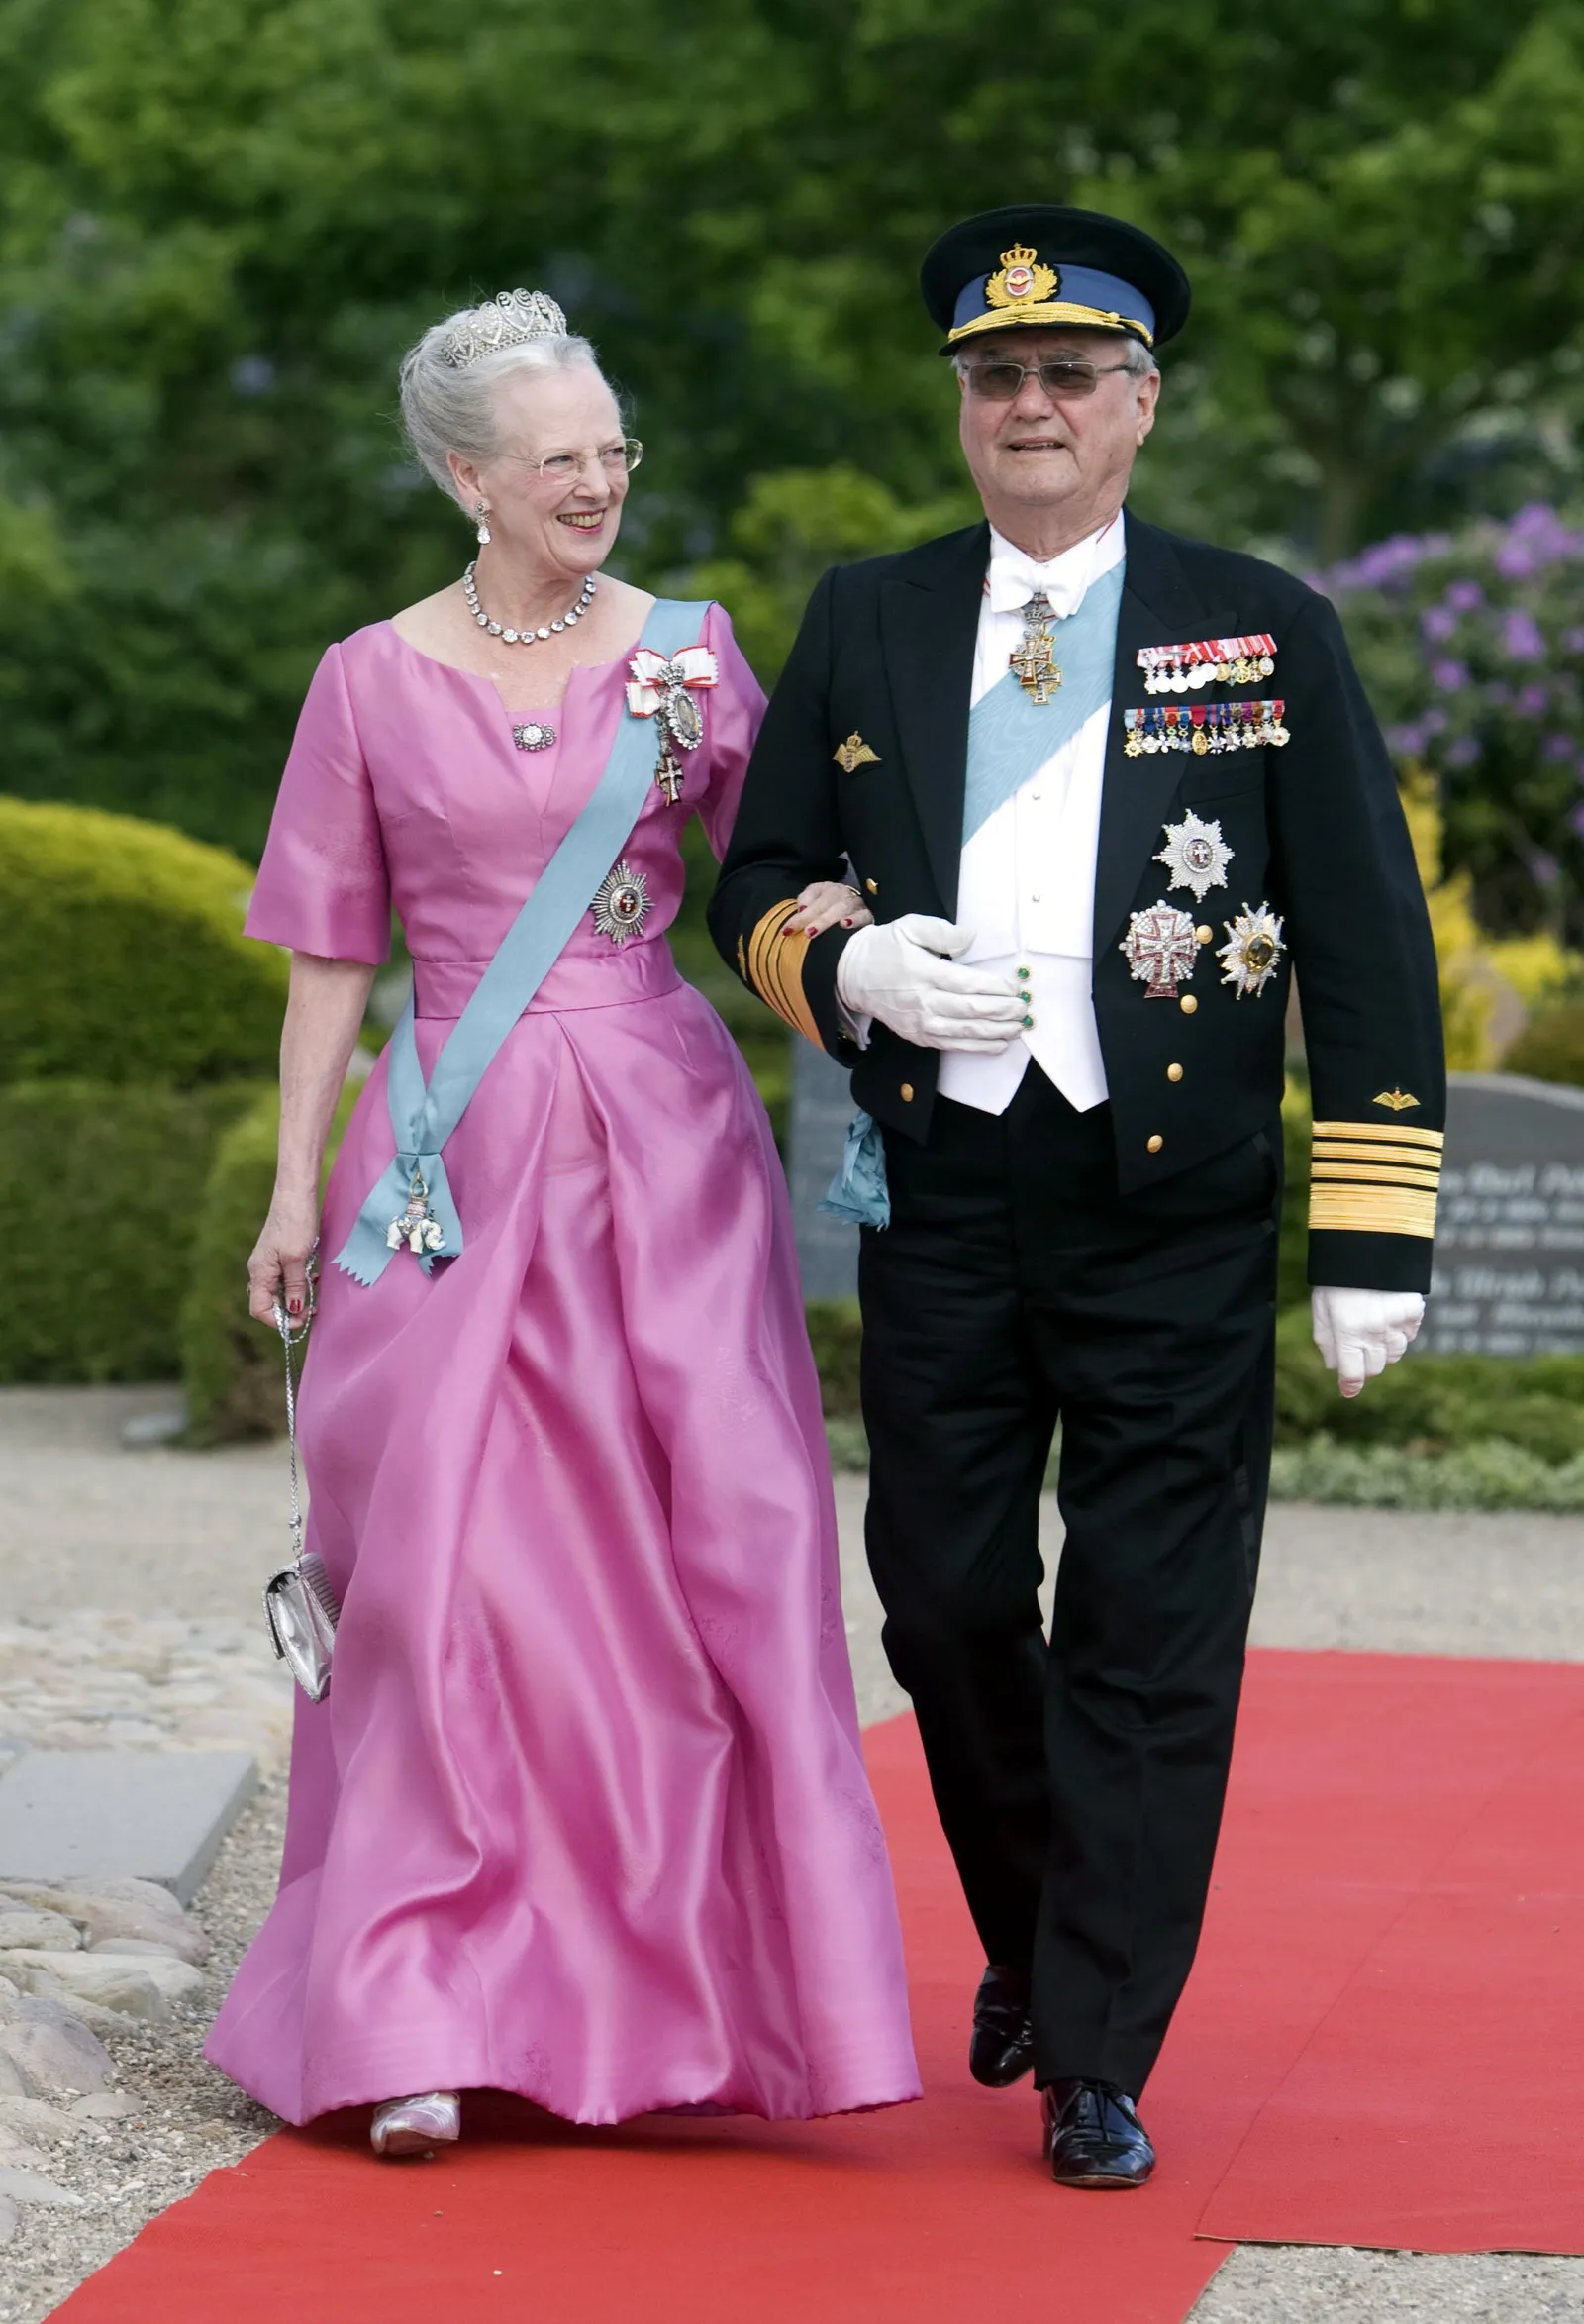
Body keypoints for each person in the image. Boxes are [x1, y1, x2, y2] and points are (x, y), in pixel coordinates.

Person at [709, 206, 1443, 2188]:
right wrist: (839, 969)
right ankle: (1040, 1934)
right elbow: (754, 872)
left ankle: (1093, 2042)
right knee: (942, 1602)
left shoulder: (1258, 620)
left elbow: (1368, 944)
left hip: (1169, 1205)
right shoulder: (865, 611)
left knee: (1149, 1630)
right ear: (961, 406)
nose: (1024, 406)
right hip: (945, 1190)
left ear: (1134, 404)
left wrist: (1372, 1233)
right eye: (990, 378)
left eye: (1063, 377)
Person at [206, 287, 919, 2154]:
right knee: (441, 1568)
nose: (599, 482)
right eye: (559, 459)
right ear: (467, 475)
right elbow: (328, 960)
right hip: (440, 1158)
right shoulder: (367, 675)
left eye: (613, 450)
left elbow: (785, 890)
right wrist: (293, 1189)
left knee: (706, 1557)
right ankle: (412, 2007)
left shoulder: (692, 651)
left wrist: (907, 987)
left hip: (666, 1141)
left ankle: (700, 1997)